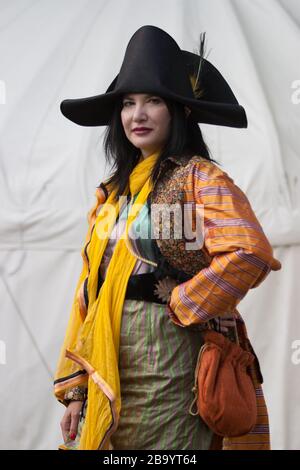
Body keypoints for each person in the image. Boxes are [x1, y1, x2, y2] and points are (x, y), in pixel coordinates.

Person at [54, 25, 281, 451]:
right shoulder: (111, 194)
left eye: (153, 101)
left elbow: (249, 252)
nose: (137, 115)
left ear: (179, 110)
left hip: (174, 364)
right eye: (128, 103)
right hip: (110, 367)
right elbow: (90, 291)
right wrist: (77, 389)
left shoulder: (200, 179)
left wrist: (183, 301)